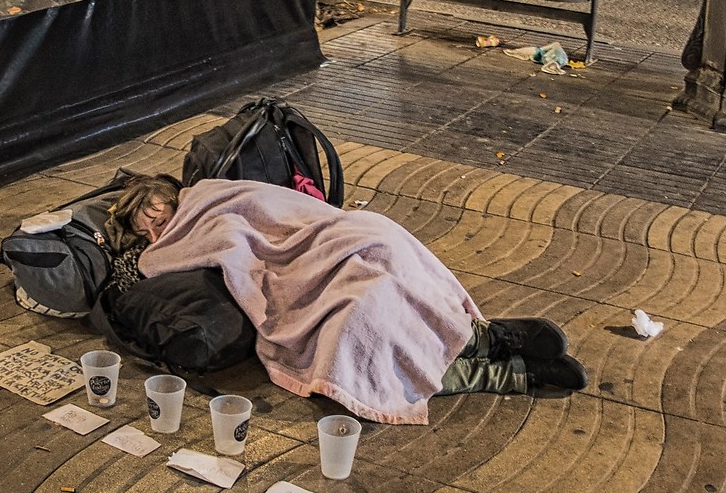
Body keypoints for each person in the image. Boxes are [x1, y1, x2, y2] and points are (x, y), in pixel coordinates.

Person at [115, 173, 588, 422]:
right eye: (146, 232)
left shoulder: (212, 196)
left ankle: (484, 339)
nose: (158, 234)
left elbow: (275, 214)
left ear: (174, 199)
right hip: (304, 260)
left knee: (383, 261)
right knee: (359, 314)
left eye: (159, 219)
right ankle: (499, 369)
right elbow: (211, 252)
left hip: (335, 233)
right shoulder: (171, 239)